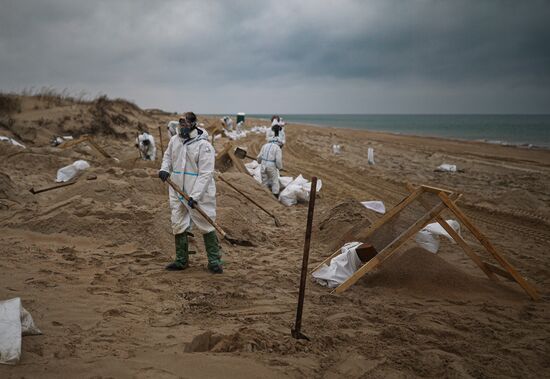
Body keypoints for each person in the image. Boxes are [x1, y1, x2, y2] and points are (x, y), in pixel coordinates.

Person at [158, 112, 223, 273]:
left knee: (206, 223)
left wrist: (195, 196)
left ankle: (214, 261)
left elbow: (206, 174)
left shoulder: (204, 146)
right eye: (181, 124)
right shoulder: (175, 141)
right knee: (178, 222)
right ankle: (181, 260)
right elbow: (167, 157)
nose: (183, 127)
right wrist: (164, 169)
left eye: (186, 124)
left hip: (198, 192)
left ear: (193, 125)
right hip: (176, 188)